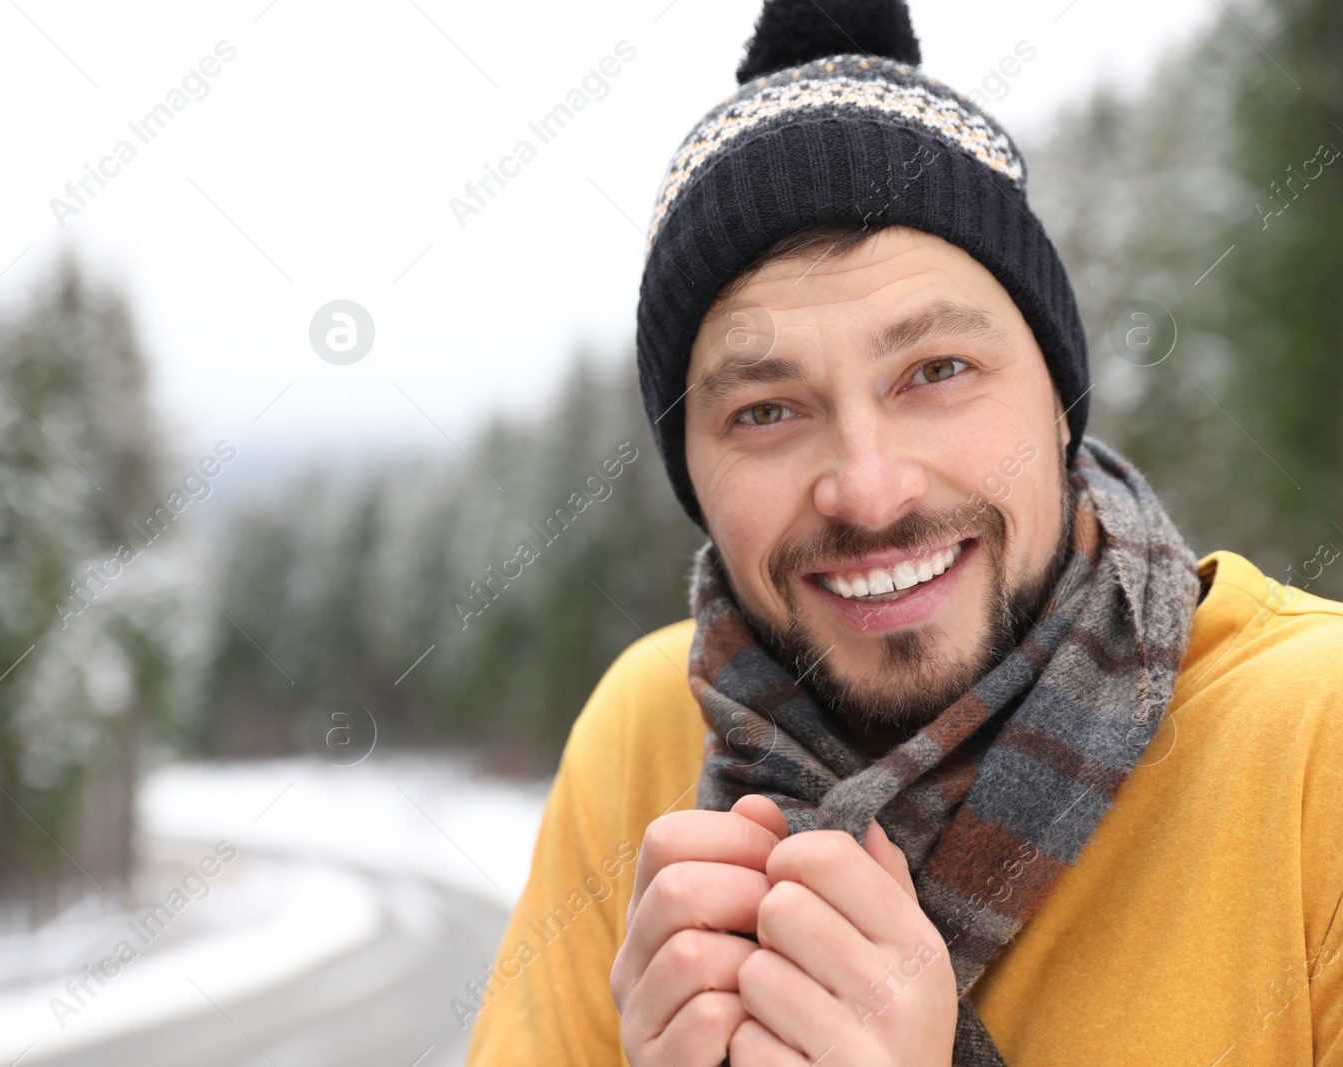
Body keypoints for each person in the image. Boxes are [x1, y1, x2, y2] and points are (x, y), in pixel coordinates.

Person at [463, 0, 1343, 1064]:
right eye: (766, 410)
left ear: (1058, 400)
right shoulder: (646, 728)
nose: (868, 492)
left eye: (935, 371)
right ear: (691, 470)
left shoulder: (1312, 746)